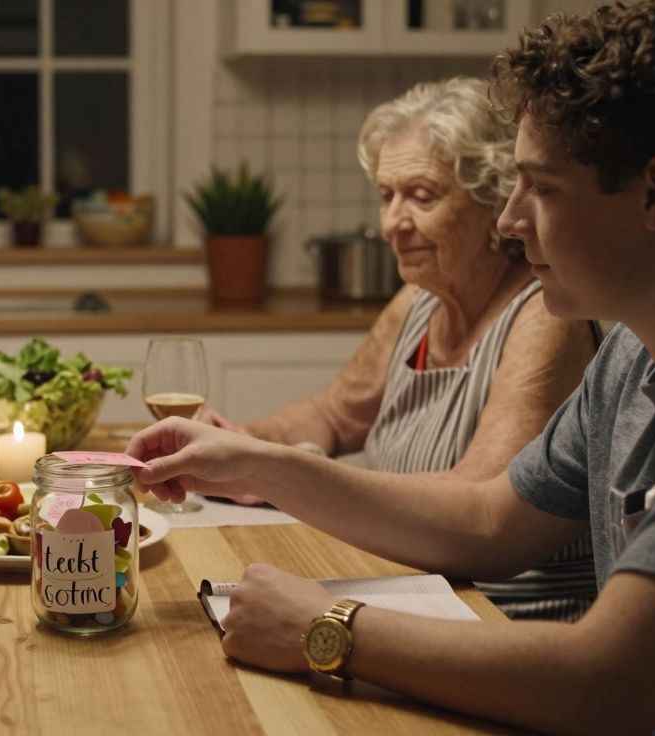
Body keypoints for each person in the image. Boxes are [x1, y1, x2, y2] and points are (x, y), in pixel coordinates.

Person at [128, 1, 655, 732]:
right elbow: (485, 521)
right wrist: (259, 464)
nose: (511, 220)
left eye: (541, 188)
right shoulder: (631, 357)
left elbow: (607, 684)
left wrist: (333, 628)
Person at [202, 76, 599, 621]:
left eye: (422, 196)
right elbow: (333, 415)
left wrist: (275, 470)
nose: (393, 224)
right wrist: (243, 441)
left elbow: (481, 499)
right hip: (420, 594)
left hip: (507, 619)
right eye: (387, 196)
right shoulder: (418, 300)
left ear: (492, 202)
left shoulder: (543, 315)